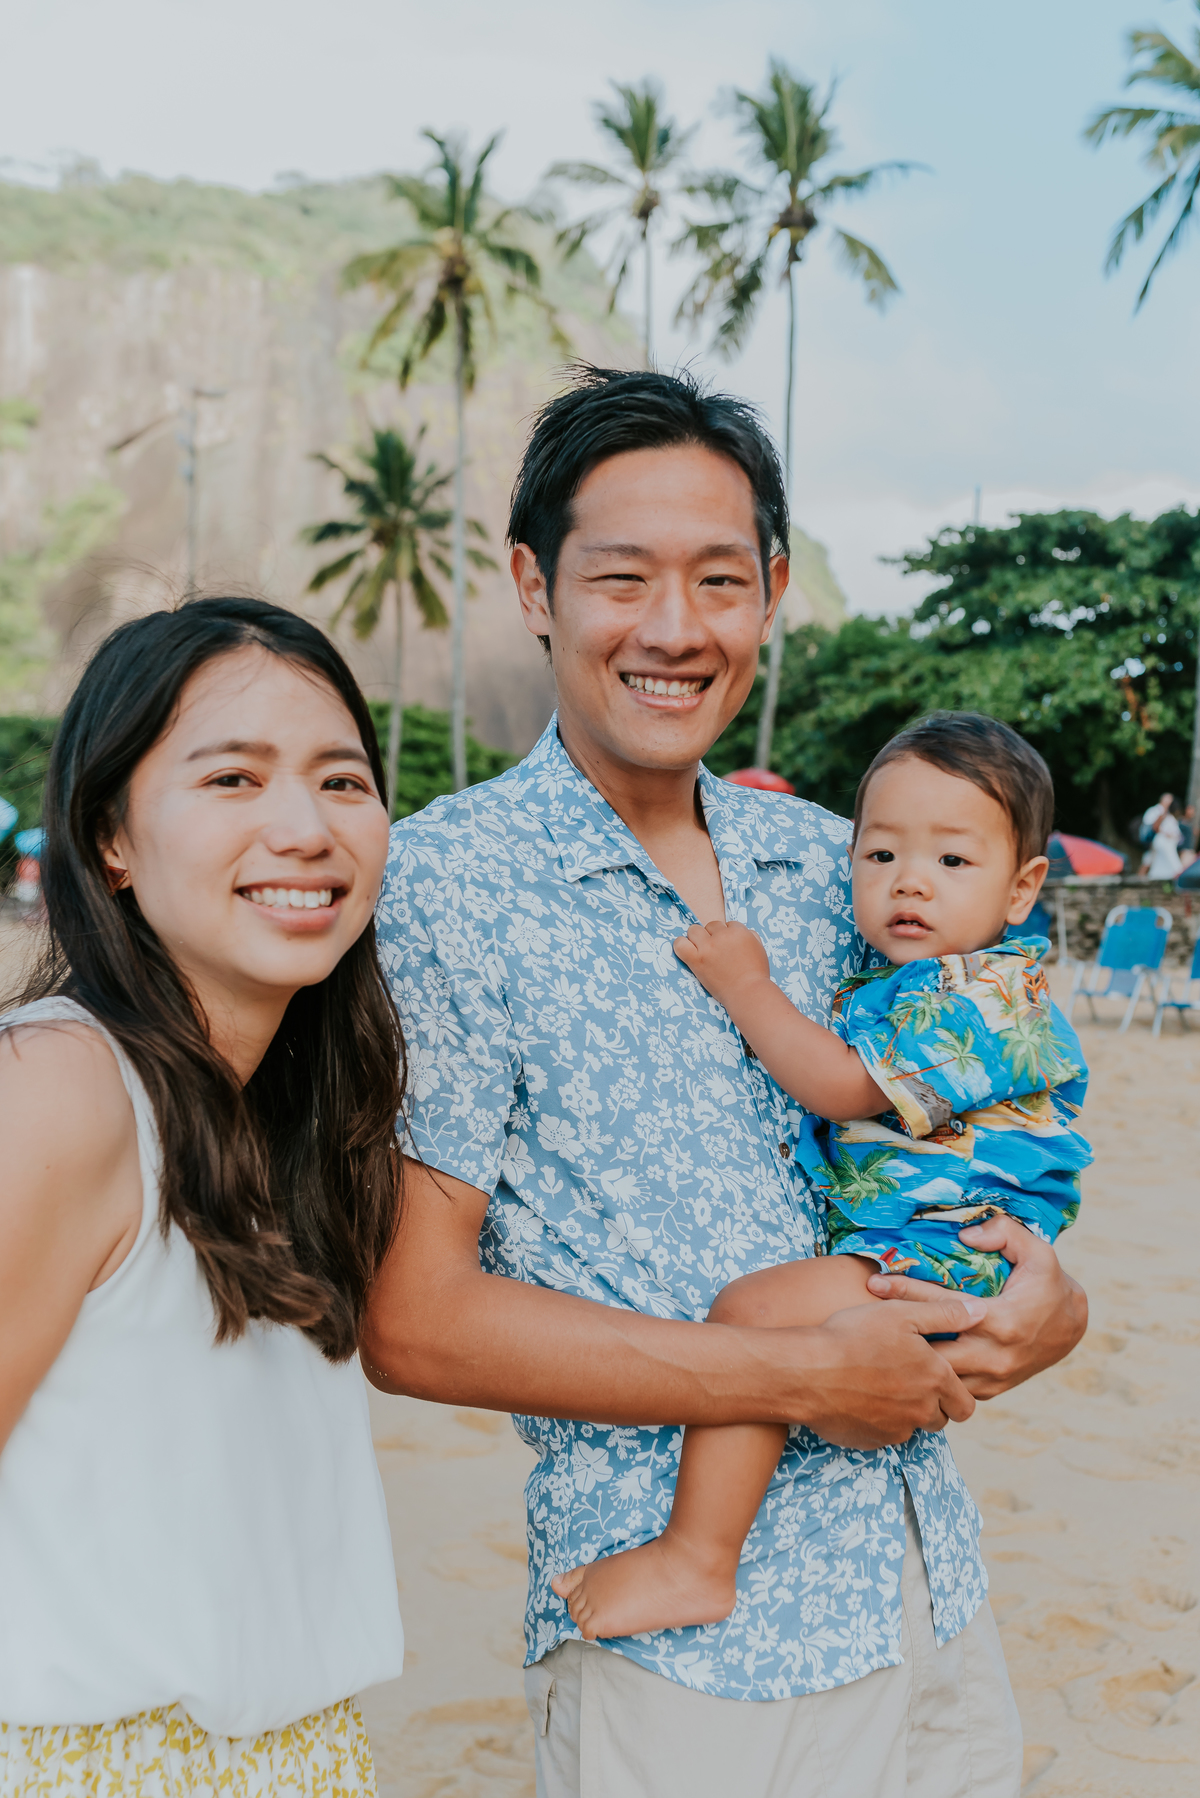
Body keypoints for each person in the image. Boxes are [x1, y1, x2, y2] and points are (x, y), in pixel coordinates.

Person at [364, 366, 1087, 1798]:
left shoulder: (845, 859)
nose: (675, 630)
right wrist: (801, 1369)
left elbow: (982, 1116)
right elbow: (416, 1320)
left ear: (770, 589)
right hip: (692, 1662)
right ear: (535, 584)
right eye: (623, 577)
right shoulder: (443, 886)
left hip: (927, 1582)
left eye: (719, 579)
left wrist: (1051, 1304)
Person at [551, 712, 1092, 1643]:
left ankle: (697, 1560)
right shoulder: (925, 980)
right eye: (878, 854)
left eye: (953, 863)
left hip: (939, 1249)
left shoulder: (984, 1000)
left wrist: (745, 983)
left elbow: (840, 1084)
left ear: (1023, 887)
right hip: (931, 1240)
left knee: (750, 1319)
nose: (908, 881)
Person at [0, 598, 406, 1796]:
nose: (305, 828)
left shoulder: (300, 1113)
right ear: (110, 837)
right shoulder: (62, 1085)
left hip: (300, 1754)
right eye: (232, 778)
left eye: (343, 780)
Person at [1141, 792, 1182, 878]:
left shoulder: (1168, 814)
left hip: (1163, 843)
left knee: (1152, 863)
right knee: (1147, 862)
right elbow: (1154, 827)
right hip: (1156, 842)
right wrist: (1166, 834)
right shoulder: (1156, 811)